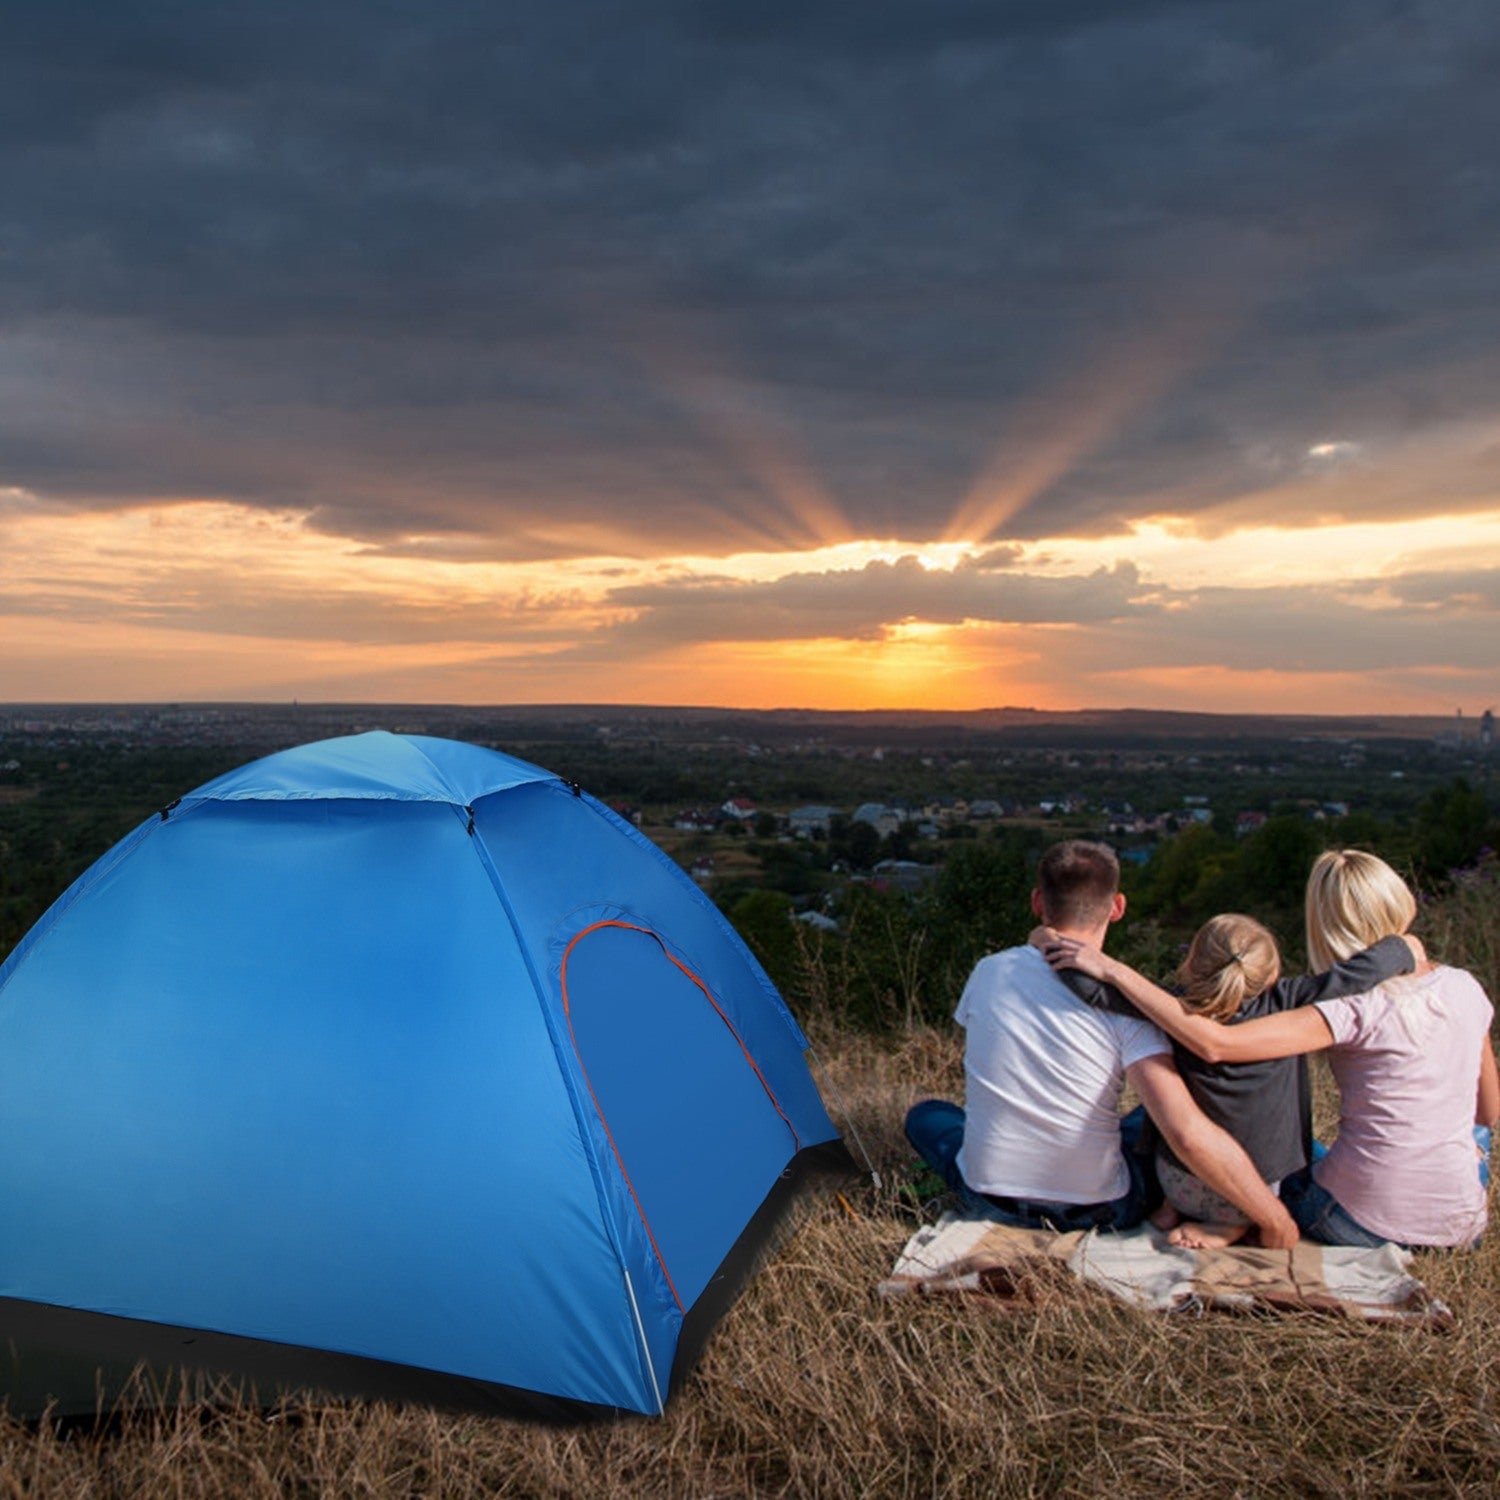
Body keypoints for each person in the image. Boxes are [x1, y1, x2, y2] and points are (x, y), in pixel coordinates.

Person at [1043, 850, 1500, 1251]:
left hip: (1352, 1220)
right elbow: (1488, 1113)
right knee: (1470, 1135)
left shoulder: (1346, 1012)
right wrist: (1404, 946)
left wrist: (1064, 945)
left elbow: (1212, 1042)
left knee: (1156, 1117)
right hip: (1462, 1226)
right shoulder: (1465, 987)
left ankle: (1209, 1213)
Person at [905, 840, 1297, 1246]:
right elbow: (1185, 1133)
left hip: (989, 1198)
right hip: (1099, 1209)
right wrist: (1275, 1220)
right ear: (1118, 907)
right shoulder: (1127, 1007)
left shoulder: (988, 971)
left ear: (1038, 902)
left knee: (927, 1116)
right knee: (1155, 1116)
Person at [1049, 912, 1417, 1248]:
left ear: (1191, 963)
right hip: (1256, 1191)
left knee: (1154, 1107)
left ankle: (1169, 1207)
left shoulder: (1170, 1005)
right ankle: (1232, 1225)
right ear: (1271, 975)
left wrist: (1046, 940)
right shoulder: (1288, 1001)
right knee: (1299, 1147)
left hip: (1177, 1183)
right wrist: (1403, 947)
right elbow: (1357, 975)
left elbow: (1093, 990)